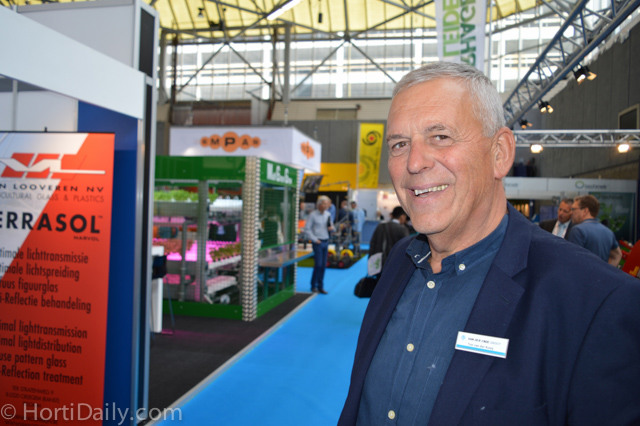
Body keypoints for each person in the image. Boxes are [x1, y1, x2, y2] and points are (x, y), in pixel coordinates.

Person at [339, 62, 640, 425]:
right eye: (399, 144)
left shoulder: (595, 302)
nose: (414, 162)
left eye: (440, 136)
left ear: (500, 153)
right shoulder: (401, 259)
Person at [567, 194, 622, 267]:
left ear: (585, 211)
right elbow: (617, 255)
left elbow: (573, 261)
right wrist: (607, 270)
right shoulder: (608, 232)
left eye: (573, 209)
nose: (571, 213)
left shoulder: (578, 230)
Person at [304, 195, 334, 294]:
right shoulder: (312, 215)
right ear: (319, 204)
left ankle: (320, 286)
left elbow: (331, 226)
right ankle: (313, 285)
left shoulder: (328, 214)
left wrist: (332, 228)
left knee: (323, 266)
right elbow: (307, 229)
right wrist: (315, 239)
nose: (326, 206)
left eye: (327, 204)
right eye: (324, 204)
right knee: (318, 265)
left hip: (326, 241)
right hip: (318, 243)